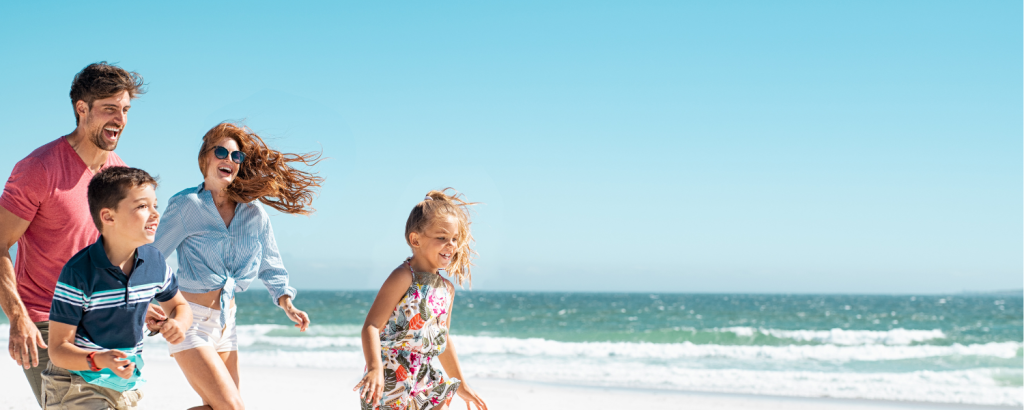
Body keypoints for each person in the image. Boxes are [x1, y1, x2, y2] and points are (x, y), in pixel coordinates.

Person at [0, 62, 148, 406]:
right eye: (109, 108)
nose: (120, 119)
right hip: (50, 325)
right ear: (82, 109)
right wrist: (17, 315)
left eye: (125, 109)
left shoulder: (118, 173)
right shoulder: (39, 168)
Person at [153, 122, 322, 410]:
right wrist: (148, 302)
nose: (229, 160)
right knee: (233, 408)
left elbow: (270, 263)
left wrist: (286, 302)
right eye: (221, 152)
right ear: (205, 158)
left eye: (236, 156)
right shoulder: (186, 205)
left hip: (227, 324)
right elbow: (152, 257)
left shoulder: (255, 212)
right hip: (190, 321)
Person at [43, 166, 192, 410]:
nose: (155, 214)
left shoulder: (154, 262)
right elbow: (58, 349)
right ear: (108, 217)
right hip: (76, 383)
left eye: (155, 205)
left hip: (124, 383)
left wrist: (179, 323)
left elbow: (179, 305)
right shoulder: (78, 272)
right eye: (142, 206)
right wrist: (98, 359)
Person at [354, 189, 488, 410]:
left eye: (455, 239)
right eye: (442, 238)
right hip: (391, 378)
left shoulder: (447, 289)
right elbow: (371, 326)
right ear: (415, 239)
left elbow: (442, 341)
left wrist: (461, 384)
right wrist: (375, 369)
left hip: (427, 377)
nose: (451, 245)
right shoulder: (404, 276)